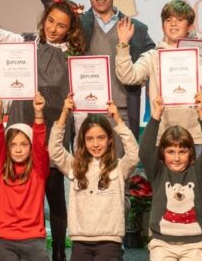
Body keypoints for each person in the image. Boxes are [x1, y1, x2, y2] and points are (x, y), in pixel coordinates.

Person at [115, 0, 202, 257]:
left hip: (198, 138)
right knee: (168, 198)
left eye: (179, 19)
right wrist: (123, 45)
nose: (173, 23)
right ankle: (166, 249)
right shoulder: (154, 56)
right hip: (165, 143)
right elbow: (128, 75)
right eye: (168, 19)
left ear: (190, 25)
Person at [0, 0, 82, 261]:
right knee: (10, 187)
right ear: (44, 19)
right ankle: (5, 241)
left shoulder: (74, 56)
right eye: (50, 21)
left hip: (54, 130)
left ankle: (58, 252)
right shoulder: (26, 44)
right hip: (23, 128)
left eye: (61, 25)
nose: (53, 28)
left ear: (70, 29)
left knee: (55, 195)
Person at [39, 0, 156, 137]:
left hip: (122, 114)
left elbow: (155, 64)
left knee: (121, 169)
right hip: (85, 113)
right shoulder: (78, 23)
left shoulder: (136, 29)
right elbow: (51, 3)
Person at [48, 95, 140, 261]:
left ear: (110, 140)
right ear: (83, 141)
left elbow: (134, 155)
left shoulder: (119, 167)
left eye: (101, 138)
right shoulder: (76, 166)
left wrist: (118, 120)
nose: (95, 144)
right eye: (90, 139)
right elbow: (54, 151)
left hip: (109, 241)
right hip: (81, 240)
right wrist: (64, 115)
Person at [139, 92, 202, 261]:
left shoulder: (197, 172)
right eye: (171, 152)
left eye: (182, 152)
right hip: (162, 245)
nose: (176, 158)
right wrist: (156, 116)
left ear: (190, 153)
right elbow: (145, 150)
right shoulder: (158, 173)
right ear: (162, 153)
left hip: (194, 246)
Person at [0, 91, 50, 260]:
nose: (18, 149)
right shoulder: (1, 170)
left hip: (34, 239)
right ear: (7, 148)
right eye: (13, 144)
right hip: (3, 239)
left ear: (30, 147)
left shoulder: (39, 171)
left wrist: (38, 113)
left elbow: (40, 145)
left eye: (24, 144)